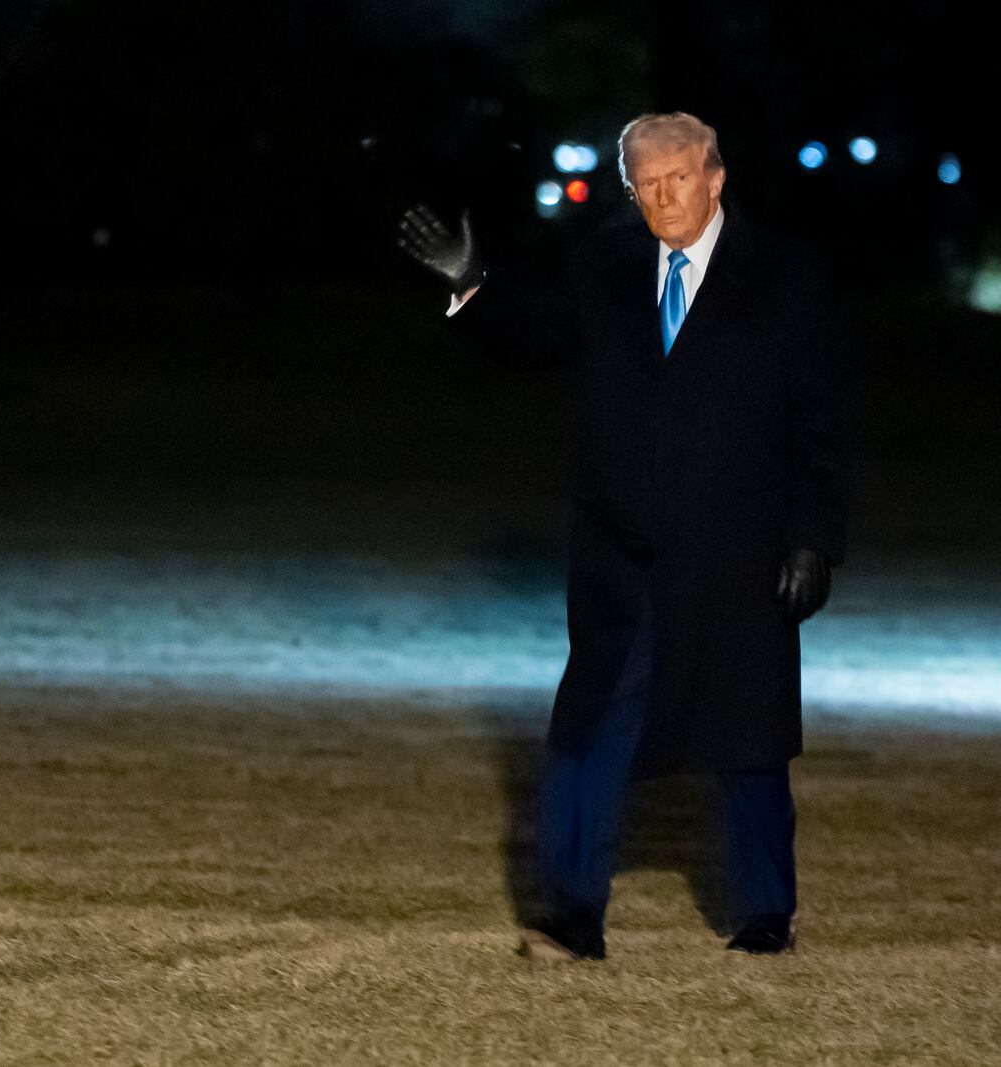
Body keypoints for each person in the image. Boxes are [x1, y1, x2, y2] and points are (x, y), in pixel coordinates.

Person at [398, 112, 852, 961]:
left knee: (747, 740)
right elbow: (533, 336)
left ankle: (765, 913)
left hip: (740, 555)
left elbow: (820, 418)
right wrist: (472, 284)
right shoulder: (605, 267)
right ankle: (572, 912)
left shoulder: (783, 275)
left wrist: (812, 539)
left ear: (715, 178)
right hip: (624, 556)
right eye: (643, 182)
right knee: (587, 732)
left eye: (677, 177)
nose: (661, 197)